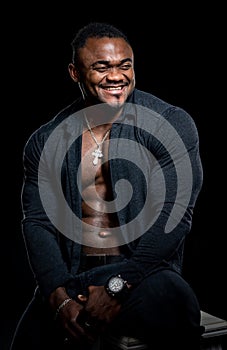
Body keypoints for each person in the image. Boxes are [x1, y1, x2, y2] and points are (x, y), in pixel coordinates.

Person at [10, 22, 204, 350]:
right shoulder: (46, 141)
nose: (116, 76)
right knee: (27, 342)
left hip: (145, 273)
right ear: (75, 72)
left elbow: (174, 215)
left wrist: (118, 286)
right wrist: (58, 297)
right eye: (102, 67)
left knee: (176, 304)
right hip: (75, 277)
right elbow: (38, 223)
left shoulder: (169, 124)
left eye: (124, 65)